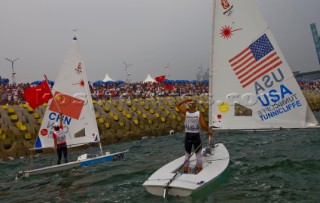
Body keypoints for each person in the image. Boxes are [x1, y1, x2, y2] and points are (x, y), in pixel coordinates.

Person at [176, 98, 213, 173]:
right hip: (196, 136)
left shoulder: (185, 112)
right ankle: (199, 171)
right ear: (195, 105)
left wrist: (185, 100)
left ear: (188, 106)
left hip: (188, 136)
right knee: (198, 155)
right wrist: (209, 131)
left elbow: (177, 105)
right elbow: (203, 125)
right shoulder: (199, 113)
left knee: (187, 155)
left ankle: (185, 171)